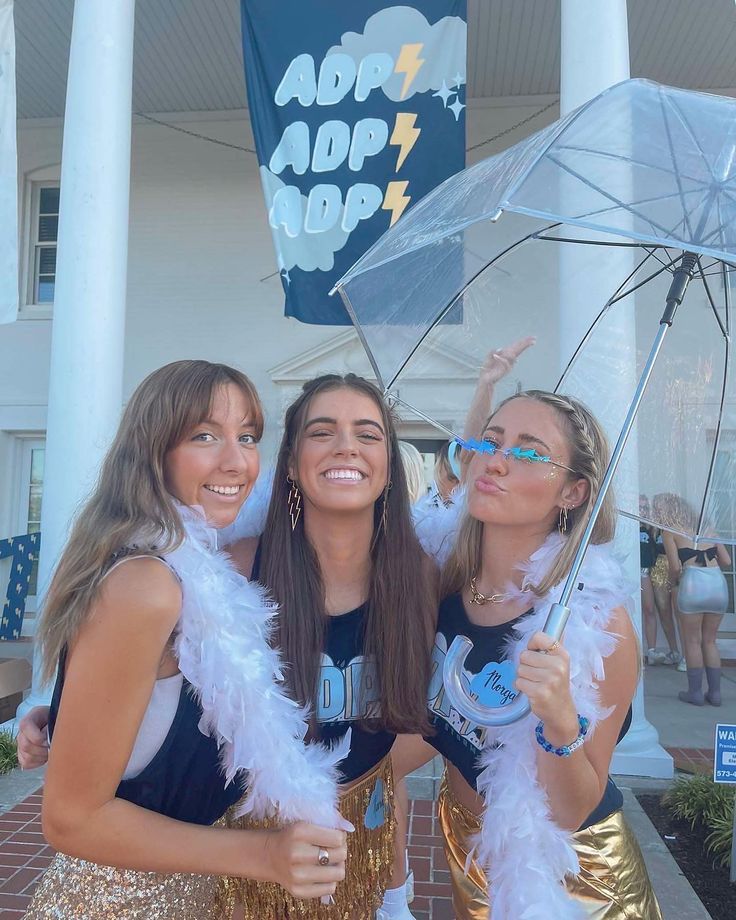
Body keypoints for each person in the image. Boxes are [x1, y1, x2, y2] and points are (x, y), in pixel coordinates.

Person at [22, 361, 348, 919]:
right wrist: (267, 854)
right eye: (204, 436)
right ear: (154, 451)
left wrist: (54, 713)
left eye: (247, 437)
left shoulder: (197, 571)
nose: (236, 461)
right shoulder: (147, 584)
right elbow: (71, 817)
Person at [394, 391, 662, 919]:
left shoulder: (595, 624)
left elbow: (570, 811)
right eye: (490, 442)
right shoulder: (443, 577)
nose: (496, 461)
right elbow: (430, 728)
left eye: (529, 453)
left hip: (572, 875)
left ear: (573, 491)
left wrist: (561, 721)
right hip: (471, 845)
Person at [659, 496, 731, 707]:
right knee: (710, 641)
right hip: (717, 582)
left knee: (692, 641)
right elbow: (726, 561)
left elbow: (674, 567)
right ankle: (715, 693)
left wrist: (672, 584)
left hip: (692, 582)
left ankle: (695, 692)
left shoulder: (670, 531)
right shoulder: (708, 528)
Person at [640, 496, 680, 666]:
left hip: (656, 571)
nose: (642, 511)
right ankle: (652, 650)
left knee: (666, 611)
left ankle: (676, 651)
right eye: (639, 507)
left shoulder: (654, 529)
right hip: (641, 572)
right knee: (648, 609)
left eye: (644, 507)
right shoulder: (629, 526)